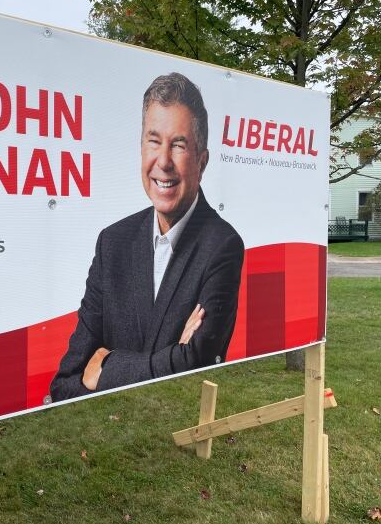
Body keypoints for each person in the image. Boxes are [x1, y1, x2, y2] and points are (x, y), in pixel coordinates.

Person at [50, 72, 244, 402]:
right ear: (141, 148)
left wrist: (106, 366)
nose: (163, 162)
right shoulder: (112, 243)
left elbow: (196, 362)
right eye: (154, 142)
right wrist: (171, 358)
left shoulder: (222, 246)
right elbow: (65, 381)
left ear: (202, 161)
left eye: (179, 145)